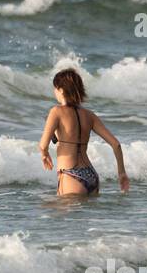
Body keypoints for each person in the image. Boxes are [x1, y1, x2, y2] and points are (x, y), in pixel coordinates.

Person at [38, 67, 129, 195]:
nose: (55, 92)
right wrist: (122, 173)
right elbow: (116, 144)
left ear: (61, 90)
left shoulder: (56, 111)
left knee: (50, 212)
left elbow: (43, 145)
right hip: (91, 175)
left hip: (70, 175)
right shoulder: (89, 115)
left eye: (56, 88)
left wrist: (44, 154)